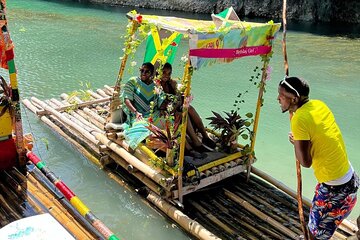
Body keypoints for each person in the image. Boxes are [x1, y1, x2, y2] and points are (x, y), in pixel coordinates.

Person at [277, 76, 359, 240]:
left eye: (281, 95)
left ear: (294, 98)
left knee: (315, 233)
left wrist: (295, 142)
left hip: (335, 189)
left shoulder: (299, 119)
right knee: (315, 226)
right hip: (350, 178)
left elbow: (305, 162)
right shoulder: (319, 104)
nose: (278, 99)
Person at [160, 62, 216, 152]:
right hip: (164, 111)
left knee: (189, 108)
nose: (166, 75)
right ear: (159, 72)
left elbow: (178, 98)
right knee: (182, 113)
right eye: (164, 72)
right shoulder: (157, 86)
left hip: (174, 107)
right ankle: (196, 142)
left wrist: (179, 100)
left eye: (169, 73)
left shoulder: (172, 83)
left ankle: (205, 136)